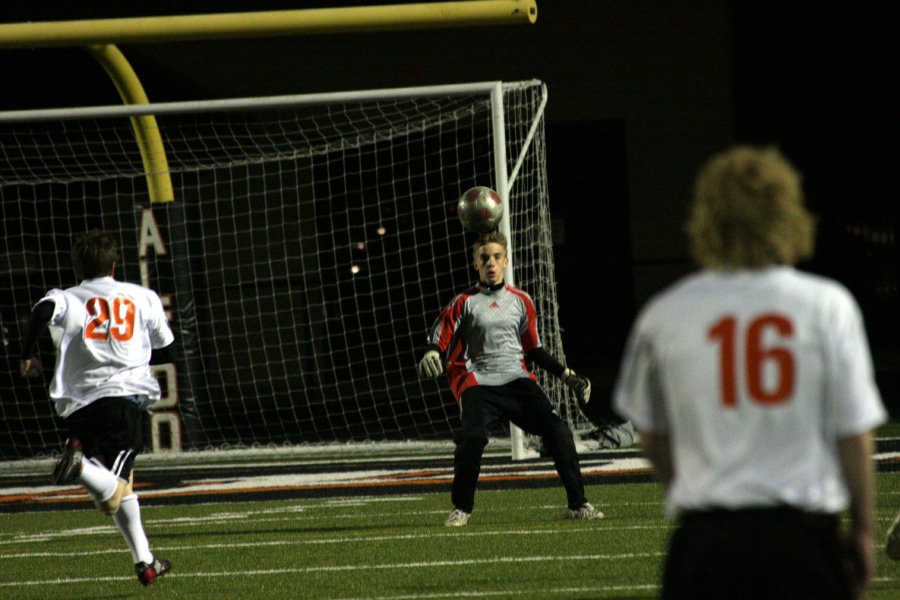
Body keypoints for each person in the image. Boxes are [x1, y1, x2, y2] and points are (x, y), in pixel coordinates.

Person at [613, 145, 887, 599]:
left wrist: (696, 489)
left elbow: (650, 435)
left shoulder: (665, 313)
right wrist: (861, 530)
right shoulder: (827, 305)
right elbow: (853, 434)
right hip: (802, 540)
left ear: (708, 218)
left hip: (706, 545)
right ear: (787, 213)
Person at [19, 230, 176, 587]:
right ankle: (81, 466)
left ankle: (145, 561)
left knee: (126, 486)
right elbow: (167, 347)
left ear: (77, 267)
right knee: (112, 496)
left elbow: (41, 311)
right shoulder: (141, 296)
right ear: (115, 264)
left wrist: (26, 354)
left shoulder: (69, 297)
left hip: (80, 407)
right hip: (124, 401)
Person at [418, 230, 600, 526]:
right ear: (475, 264)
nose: (491, 263)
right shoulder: (464, 301)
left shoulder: (521, 301)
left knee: (559, 433)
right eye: (484, 258)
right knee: (474, 438)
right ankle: (461, 509)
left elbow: (534, 349)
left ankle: (579, 504)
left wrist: (567, 376)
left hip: (518, 381)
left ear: (506, 261)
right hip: (478, 384)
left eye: (496, 257)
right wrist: (430, 353)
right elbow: (439, 336)